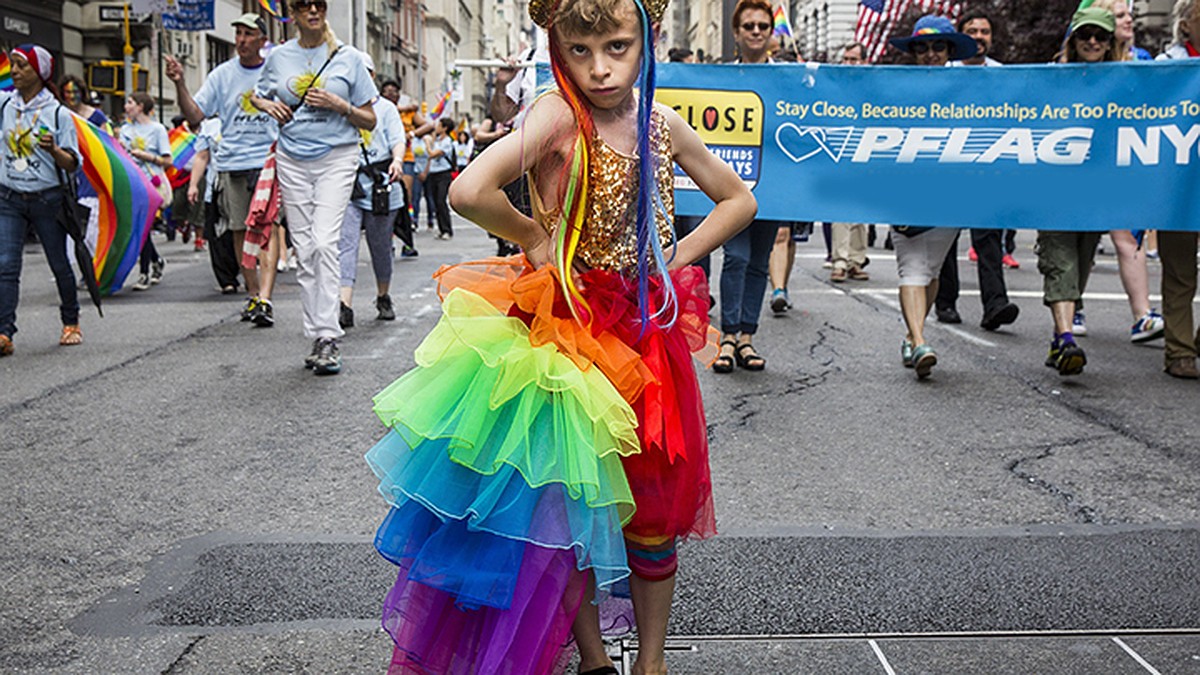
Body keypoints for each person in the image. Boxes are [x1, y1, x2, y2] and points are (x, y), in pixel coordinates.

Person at [366, 0, 756, 669]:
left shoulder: (662, 124)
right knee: (569, 507)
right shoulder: (556, 115)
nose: (600, 68)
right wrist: (535, 236)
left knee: (652, 511)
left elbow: (738, 198)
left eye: (617, 47)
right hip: (569, 335)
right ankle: (597, 658)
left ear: (645, 41)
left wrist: (675, 258)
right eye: (580, 50)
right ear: (556, 48)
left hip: (644, 336)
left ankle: (652, 660)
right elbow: (468, 190)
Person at [252, 0, 378, 375]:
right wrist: (266, 105)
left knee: (324, 241)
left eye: (319, 4)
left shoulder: (348, 58)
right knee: (305, 248)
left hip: (337, 156)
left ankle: (328, 335)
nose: (313, 10)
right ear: (293, 13)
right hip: (292, 157)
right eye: (304, 5)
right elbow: (259, 93)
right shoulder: (279, 58)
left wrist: (341, 105)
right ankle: (318, 333)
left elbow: (370, 118)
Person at [166, 13, 281, 326]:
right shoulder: (222, 75)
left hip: (267, 163)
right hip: (232, 164)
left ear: (262, 40)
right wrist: (179, 83)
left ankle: (266, 299)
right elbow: (194, 116)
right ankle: (254, 294)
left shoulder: (275, 71)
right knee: (240, 232)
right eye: (239, 33)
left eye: (248, 34)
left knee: (267, 232)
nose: (241, 40)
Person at [886, 15, 977, 379]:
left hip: (950, 196)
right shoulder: (895, 88)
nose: (930, 54)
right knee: (912, 267)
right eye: (921, 48)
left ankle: (911, 334)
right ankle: (921, 340)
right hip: (905, 190)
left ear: (950, 50)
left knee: (932, 271)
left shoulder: (967, 89)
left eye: (938, 46)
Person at [1038, 7, 1119, 377]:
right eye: (1086, 34)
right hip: (1054, 191)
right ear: (1073, 39)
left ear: (1109, 43)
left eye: (1100, 37)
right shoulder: (1051, 80)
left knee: (1081, 264)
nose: (1092, 42)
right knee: (1061, 262)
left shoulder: (1126, 82)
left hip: (1096, 192)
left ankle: (1059, 338)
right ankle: (1068, 338)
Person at [1087, 0, 1166, 344]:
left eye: (1129, 13)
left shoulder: (1144, 61)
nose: (1129, 20)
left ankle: (1142, 315)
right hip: (1086, 163)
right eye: (1120, 15)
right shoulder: (1080, 61)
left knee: (1128, 239)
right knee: (1080, 239)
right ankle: (1071, 307)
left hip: (1125, 162)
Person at [713, 0, 785, 372]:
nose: (756, 32)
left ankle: (747, 338)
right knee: (737, 257)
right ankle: (727, 336)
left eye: (762, 26)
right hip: (732, 186)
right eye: (749, 26)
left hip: (774, 186)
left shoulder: (789, 80)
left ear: (771, 34)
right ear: (737, 33)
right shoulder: (723, 79)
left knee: (758, 262)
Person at [941, 10, 1022, 332]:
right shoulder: (944, 73)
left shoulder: (1003, 76)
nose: (978, 36)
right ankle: (945, 301)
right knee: (945, 237)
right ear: (960, 36)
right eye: (971, 30)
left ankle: (995, 304)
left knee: (989, 238)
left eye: (984, 31)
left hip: (988, 167)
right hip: (949, 165)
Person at [0, 44, 82, 355]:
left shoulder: (58, 113)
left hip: (47, 200)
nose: (15, 71)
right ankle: (4, 332)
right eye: (13, 65)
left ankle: (71, 321)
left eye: (22, 66)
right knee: (5, 265)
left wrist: (54, 151)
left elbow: (73, 164)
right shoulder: (4, 105)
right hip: (8, 197)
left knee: (58, 262)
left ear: (40, 72)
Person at [337, 55, 404, 328]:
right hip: (348, 185)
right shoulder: (341, 106)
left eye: (363, 72)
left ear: (372, 75)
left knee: (380, 247)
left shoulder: (386, 109)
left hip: (380, 186)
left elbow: (398, 140)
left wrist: (397, 161)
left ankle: (383, 295)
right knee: (346, 245)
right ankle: (344, 305)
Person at [1155, 0, 1200, 378]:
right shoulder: (1165, 68)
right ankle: (1180, 350)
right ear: (1186, 26)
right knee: (1181, 272)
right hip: (1180, 189)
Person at [828, 42, 871, 284]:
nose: (849, 64)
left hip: (865, 152)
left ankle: (857, 260)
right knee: (841, 211)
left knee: (861, 211)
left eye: (854, 59)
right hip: (841, 153)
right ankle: (840, 261)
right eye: (845, 59)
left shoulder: (870, 87)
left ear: (863, 62)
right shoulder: (836, 86)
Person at [119, 92, 170, 292]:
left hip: (151, 184)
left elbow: (168, 161)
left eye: (130, 102)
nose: (126, 106)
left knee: (143, 227)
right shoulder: (125, 129)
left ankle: (144, 272)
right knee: (140, 228)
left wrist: (146, 156)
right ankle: (156, 260)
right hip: (132, 182)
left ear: (140, 106)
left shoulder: (157, 129)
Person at [60, 75, 110, 269]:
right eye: (67, 92)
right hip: (69, 172)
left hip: (92, 173)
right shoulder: (61, 115)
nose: (71, 96)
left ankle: (94, 266)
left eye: (75, 92)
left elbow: (107, 144)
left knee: (92, 223)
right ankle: (83, 265)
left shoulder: (96, 117)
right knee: (74, 221)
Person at [421, 116, 456, 240]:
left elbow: (432, 154)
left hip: (443, 174)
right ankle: (441, 229)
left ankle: (447, 230)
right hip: (433, 173)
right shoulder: (436, 141)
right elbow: (429, 158)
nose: (436, 127)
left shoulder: (447, 142)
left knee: (441, 201)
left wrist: (427, 143)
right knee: (435, 202)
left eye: (439, 125)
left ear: (445, 128)